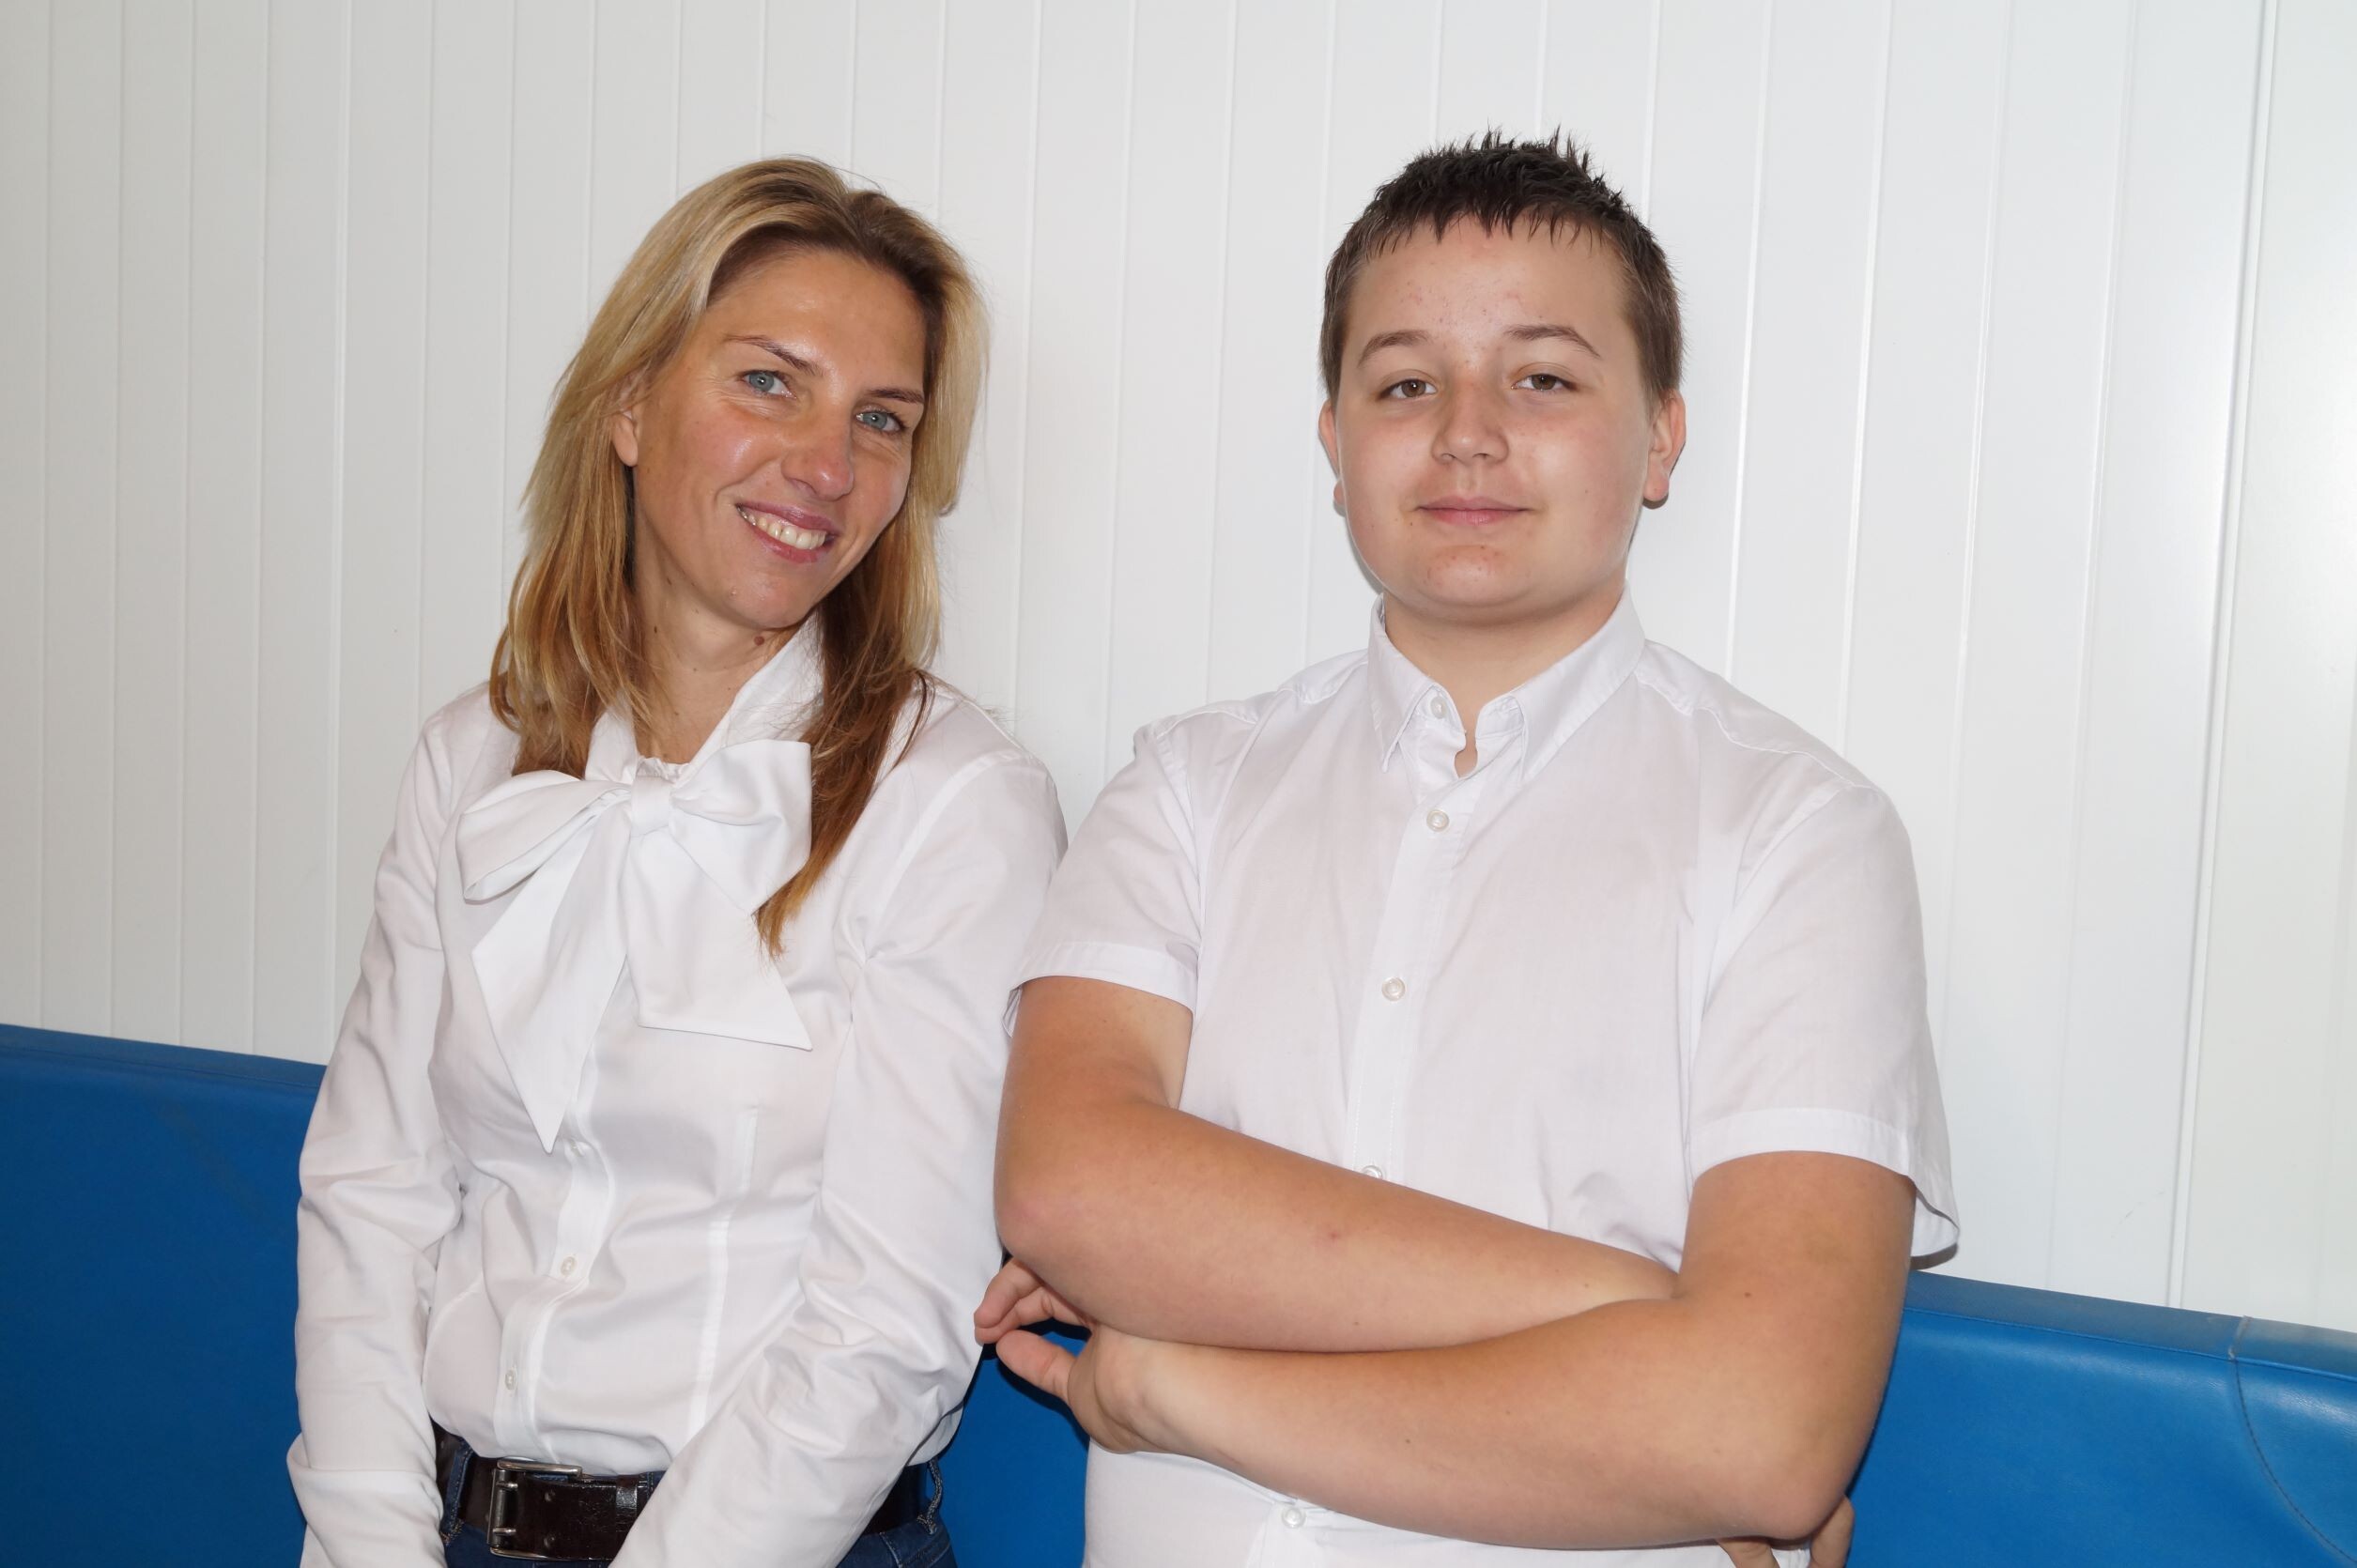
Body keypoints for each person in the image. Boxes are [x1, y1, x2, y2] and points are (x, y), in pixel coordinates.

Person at [979, 133, 1956, 1567]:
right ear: (1335, 443)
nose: (1466, 433)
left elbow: (1761, 1430)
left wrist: (1172, 1386)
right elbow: (1068, 1191)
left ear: (1660, 437)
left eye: (1542, 378)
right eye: (1404, 384)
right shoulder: (1187, 785)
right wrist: (1644, 1313)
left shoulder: (1795, 832)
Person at [291, 158, 1064, 1568]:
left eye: (880, 419)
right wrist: (369, 1544)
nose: (826, 466)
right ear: (631, 405)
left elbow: (885, 1323)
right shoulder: (470, 759)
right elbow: (371, 1194)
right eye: (770, 382)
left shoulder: (956, 804)